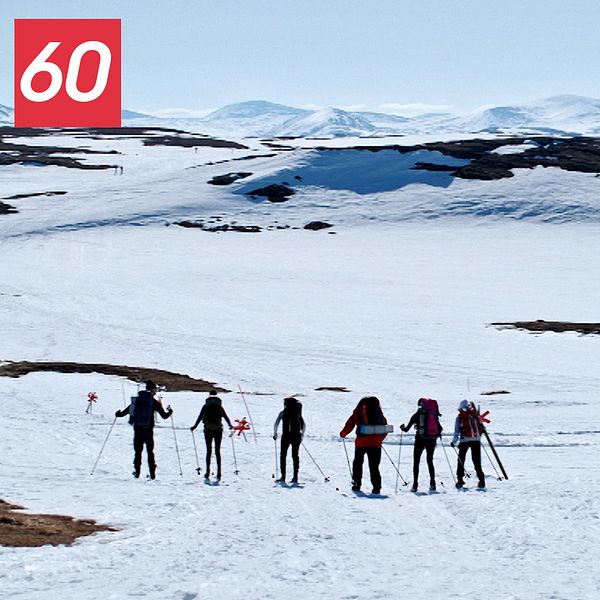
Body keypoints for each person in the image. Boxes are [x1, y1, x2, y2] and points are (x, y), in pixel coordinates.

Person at [115, 380, 172, 479]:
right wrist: (170, 411)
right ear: (153, 389)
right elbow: (164, 416)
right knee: (150, 452)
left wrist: (118, 413)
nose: (156, 391)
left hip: (138, 430)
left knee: (138, 452)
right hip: (148, 431)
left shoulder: (137, 400)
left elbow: (123, 413)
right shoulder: (154, 402)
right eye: (155, 389)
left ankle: (137, 473)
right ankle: (152, 474)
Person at [340, 396, 388, 494]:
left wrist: (343, 433)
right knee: (374, 466)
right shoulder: (379, 414)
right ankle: (376, 487)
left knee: (357, 463)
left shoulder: (358, 412)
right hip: (375, 444)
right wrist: (379, 439)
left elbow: (350, 423)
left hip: (361, 442)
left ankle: (357, 484)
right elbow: (384, 429)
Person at [400, 398, 442, 492]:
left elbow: (406, 429)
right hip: (431, 440)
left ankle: (415, 485)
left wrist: (402, 427)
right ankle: (432, 484)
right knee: (430, 461)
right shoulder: (433, 415)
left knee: (416, 462)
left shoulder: (417, 415)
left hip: (420, 440)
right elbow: (440, 428)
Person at [190, 390, 232, 480]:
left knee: (209, 451)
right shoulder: (219, 406)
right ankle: (219, 473)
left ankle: (207, 472)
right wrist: (230, 425)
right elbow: (225, 417)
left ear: (209, 396)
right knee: (217, 451)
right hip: (218, 430)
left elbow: (200, 417)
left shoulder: (206, 406)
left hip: (208, 430)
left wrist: (194, 426)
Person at [451, 400, 485, 489]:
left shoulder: (460, 417)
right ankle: (481, 480)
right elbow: (481, 426)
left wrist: (454, 441)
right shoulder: (475, 415)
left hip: (464, 440)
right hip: (476, 440)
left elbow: (456, 431)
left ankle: (460, 479)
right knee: (477, 461)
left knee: (461, 459)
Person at [273, 397, 305, 483]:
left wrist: (275, 433)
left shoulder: (283, 413)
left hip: (286, 436)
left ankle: (283, 477)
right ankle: (295, 477)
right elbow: (304, 424)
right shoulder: (297, 413)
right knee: (295, 456)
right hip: (296, 436)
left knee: (283, 456)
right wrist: (302, 435)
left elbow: (276, 423)